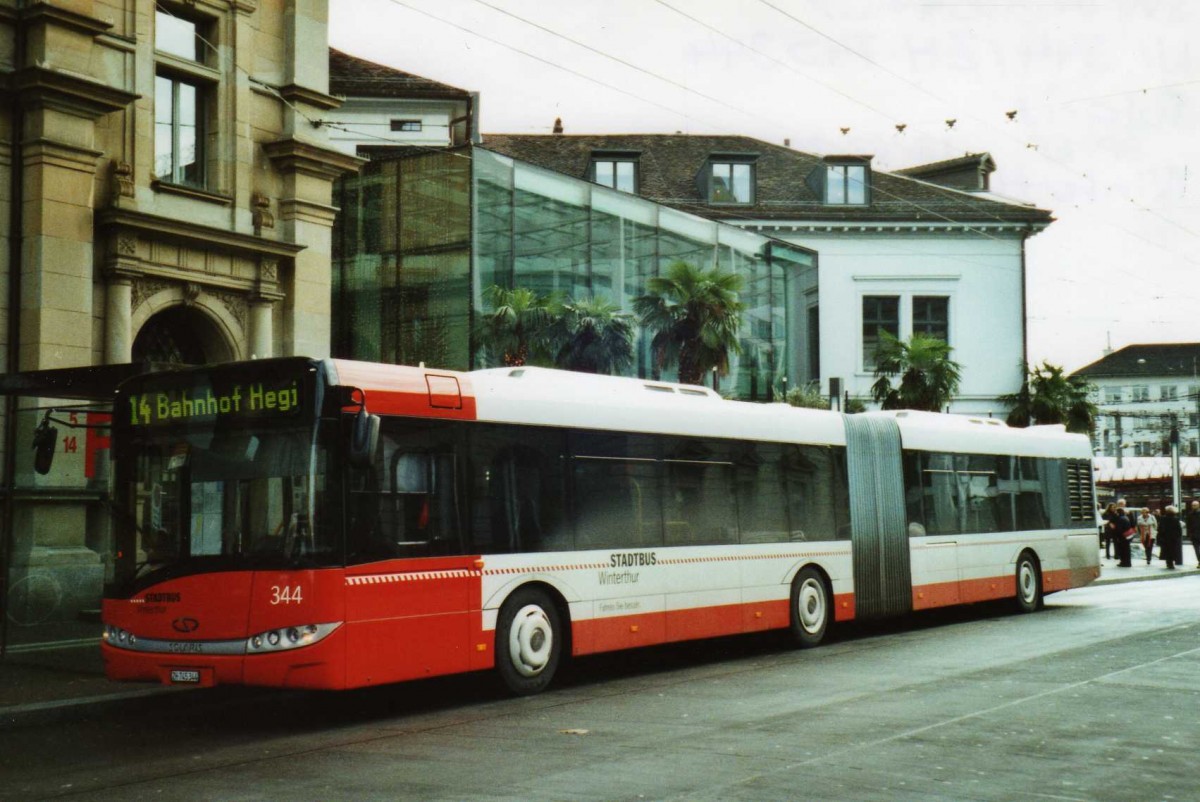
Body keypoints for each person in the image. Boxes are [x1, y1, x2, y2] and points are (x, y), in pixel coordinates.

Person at [1110, 502, 1134, 567]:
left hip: (1122, 537)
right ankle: (1127, 562)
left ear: (1118, 512)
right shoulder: (1125, 517)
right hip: (1127, 536)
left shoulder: (1120, 519)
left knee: (1123, 550)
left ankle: (1124, 562)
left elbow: (1119, 529)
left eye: (1116, 512)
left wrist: (1114, 529)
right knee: (1127, 550)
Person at [1186, 500, 1200, 568]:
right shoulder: (1190, 514)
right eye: (1192, 505)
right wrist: (1189, 534)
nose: (1193, 506)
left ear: (1198, 505)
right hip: (1194, 535)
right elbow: (1188, 525)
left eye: (1195, 505)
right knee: (1196, 549)